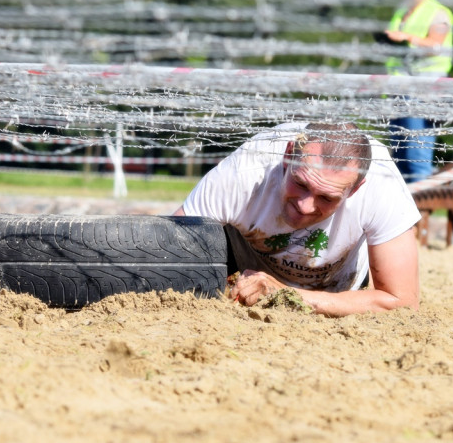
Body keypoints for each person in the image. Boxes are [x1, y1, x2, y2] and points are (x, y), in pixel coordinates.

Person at [173, 121, 421, 317]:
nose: (305, 206)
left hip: (339, 286)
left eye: (327, 197)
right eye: (300, 183)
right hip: (244, 269)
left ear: (355, 190)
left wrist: (288, 295)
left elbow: (403, 301)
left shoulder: (382, 184)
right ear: (288, 155)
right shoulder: (246, 170)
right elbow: (172, 249)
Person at [380, 0, 453, 183]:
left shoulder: (439, 12)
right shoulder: (401, 12)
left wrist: (406, 38)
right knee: (399, 159)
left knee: (416, 160)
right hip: (397, 90)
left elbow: (436, 46)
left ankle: (418, 214)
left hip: (424, 91)